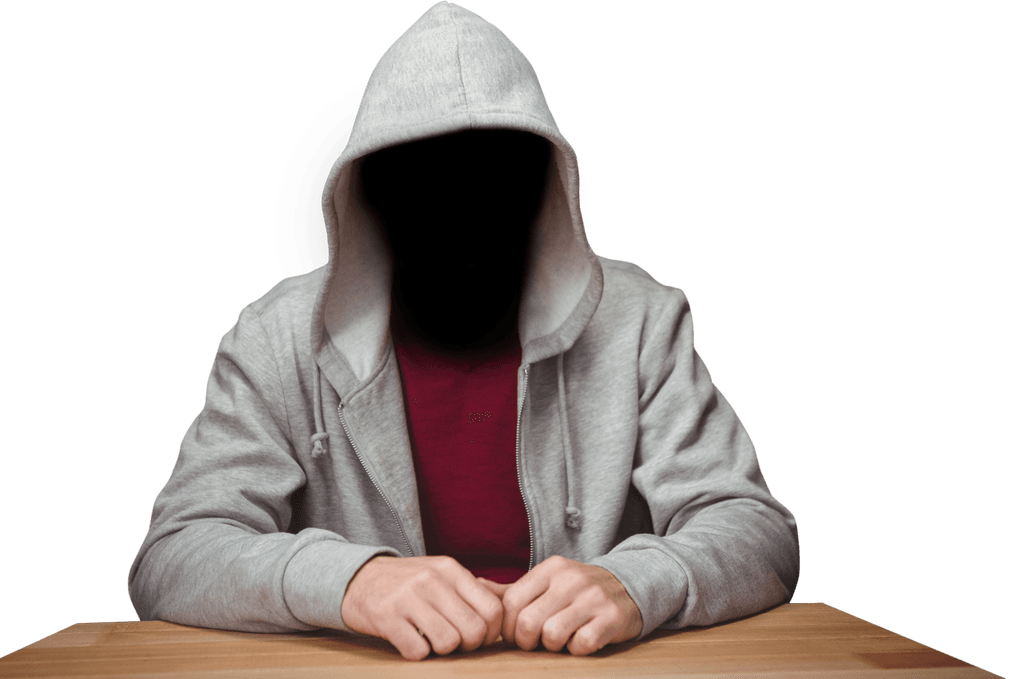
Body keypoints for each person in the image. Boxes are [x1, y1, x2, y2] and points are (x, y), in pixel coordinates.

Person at [128, 1, 800, 661]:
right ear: (368, 196)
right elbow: (173, 557)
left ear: (547, 190)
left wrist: (638, 582)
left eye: (495, 178)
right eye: (426, 182)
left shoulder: (642, 320)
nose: (462, 214)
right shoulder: (274, 336)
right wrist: (352, 581)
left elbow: (759, 533)